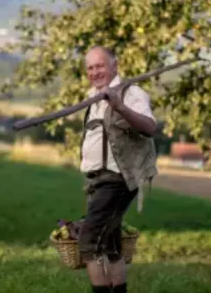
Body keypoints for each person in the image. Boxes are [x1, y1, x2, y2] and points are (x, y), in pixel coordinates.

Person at [78, 46, 158, 293]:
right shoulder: (92, 96)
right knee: (111, 245)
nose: (94, 72)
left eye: (100, 65)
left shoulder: (132, 93)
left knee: (90, 242)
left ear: (115, 65)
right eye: (90, 68)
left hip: (118, 179)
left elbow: (149, 127)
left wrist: (120, 106)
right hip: (97, 179)